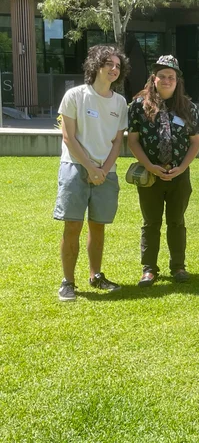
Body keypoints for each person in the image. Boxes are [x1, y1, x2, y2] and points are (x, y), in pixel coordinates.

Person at [54, 45, 129, 301]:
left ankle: (95, 275)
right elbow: (68, 137)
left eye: (118, 66)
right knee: (72, 226)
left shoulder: (120, 103)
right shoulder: (74, 95)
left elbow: (117, 142)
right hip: (75, 169)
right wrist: (90, 168)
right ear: (96, 65)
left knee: (98, 228)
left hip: (105, 173)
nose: (114, 69)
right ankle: (68, 282)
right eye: (109, 63)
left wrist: (103, 171)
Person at [128, 55, 199, 286]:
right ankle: (149, 269)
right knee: (151, 222)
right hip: (150, 175)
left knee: (177, 221)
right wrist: (149, 166)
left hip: (179, 176)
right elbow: (132, 140)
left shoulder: (188, 107)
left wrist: (182, 168)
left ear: (177, 80)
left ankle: (178, 266)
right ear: (154, 78)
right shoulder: (138, 106)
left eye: (171, 77)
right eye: (162, 76)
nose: (167, 80)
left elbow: (195, 142)